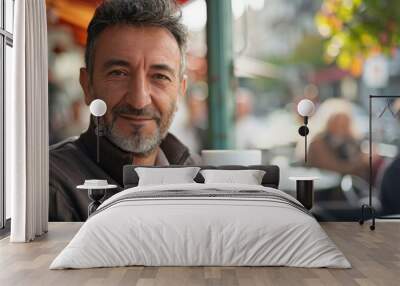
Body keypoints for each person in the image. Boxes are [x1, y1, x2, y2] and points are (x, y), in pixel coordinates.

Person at [49, 0, 200, 222]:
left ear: (180, 91)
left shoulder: (200, 179)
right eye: (119, 73)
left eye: (160, 76)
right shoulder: (47, 189)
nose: (139, 100)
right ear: (87, 85)